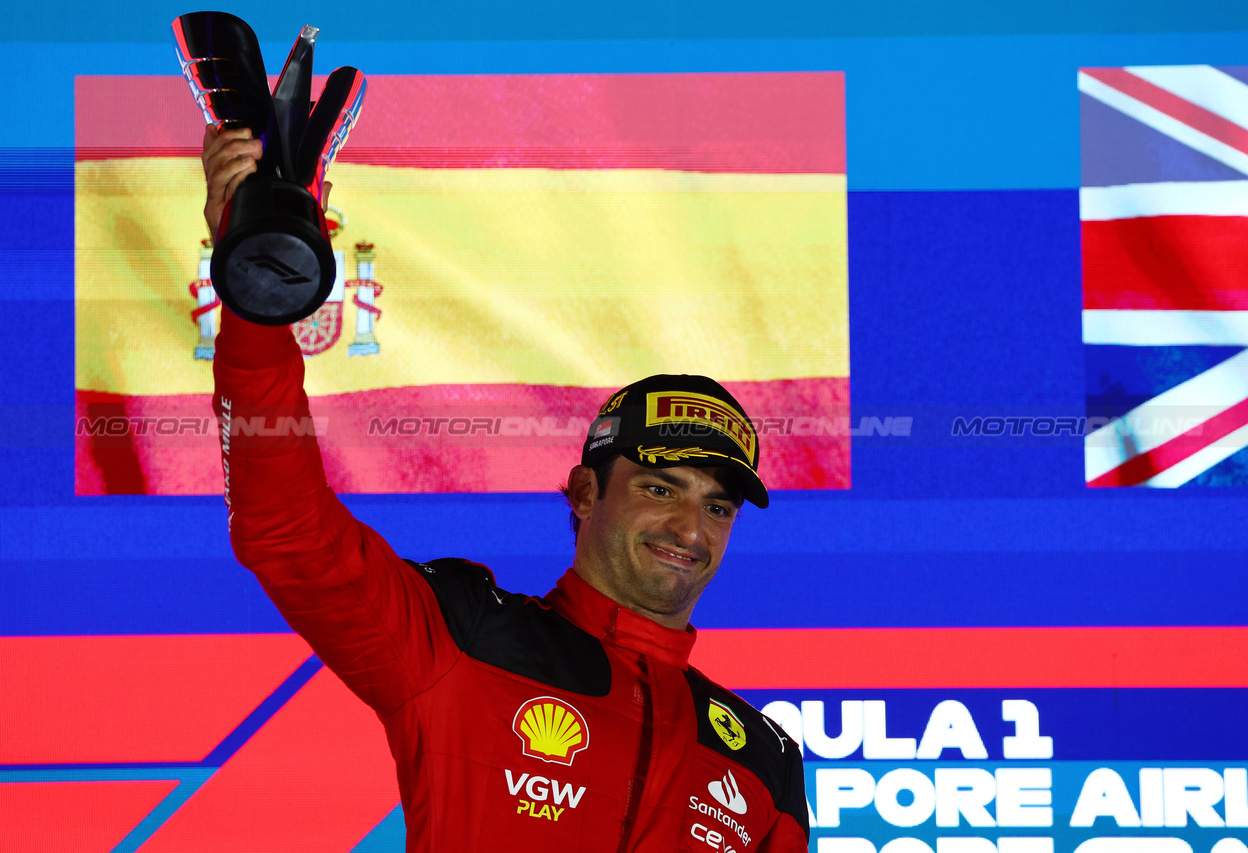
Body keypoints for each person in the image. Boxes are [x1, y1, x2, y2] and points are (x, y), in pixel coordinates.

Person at [203, 124, 810, 852]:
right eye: (659, 488)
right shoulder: (465, 636)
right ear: (585, 492)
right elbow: (287, 531)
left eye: (717, 506)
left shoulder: (764, 763)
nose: (690, 528)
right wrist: (256, 292)